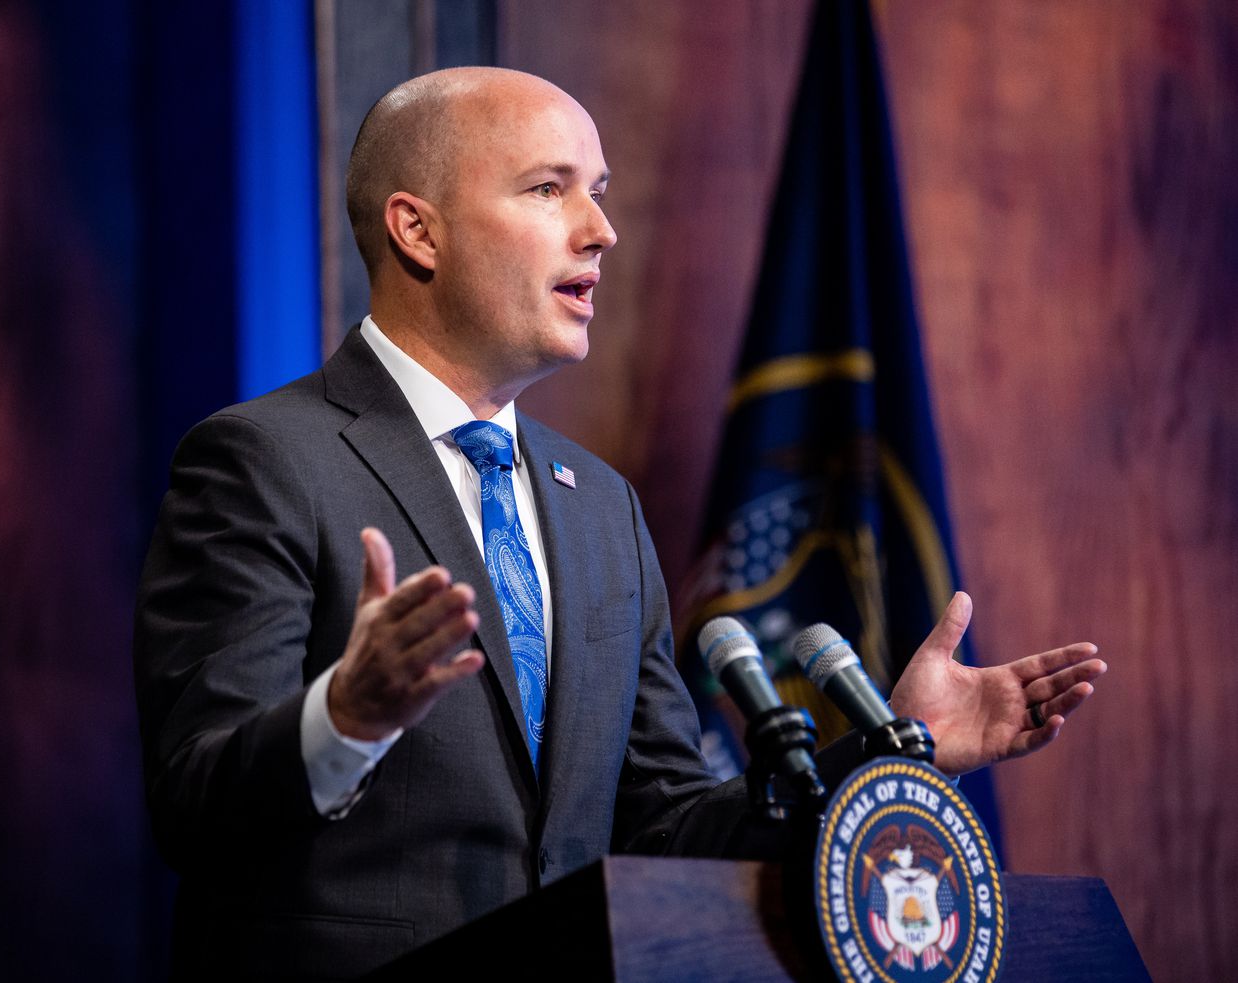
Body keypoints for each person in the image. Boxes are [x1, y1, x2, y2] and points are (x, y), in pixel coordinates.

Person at [134, 67, 1106, 979]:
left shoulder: (595, 502)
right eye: (548, 189)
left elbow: (666, 823)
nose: (599, 229)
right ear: (416, 232)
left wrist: (897, 749)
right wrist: (346, 714)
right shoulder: (262, 460)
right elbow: (193, 800)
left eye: (596, 189)